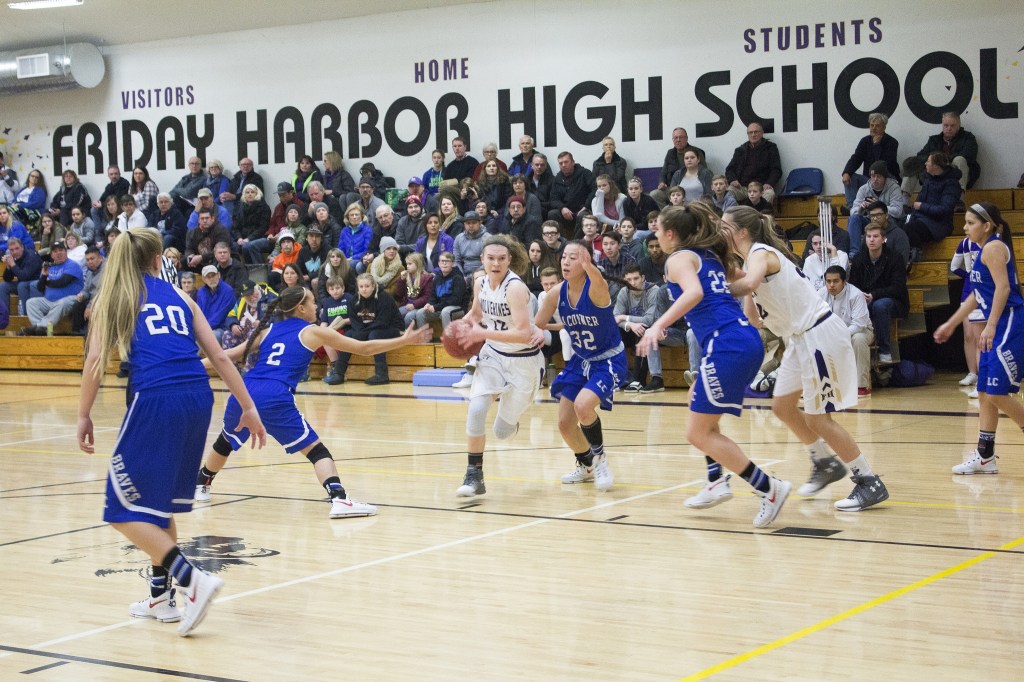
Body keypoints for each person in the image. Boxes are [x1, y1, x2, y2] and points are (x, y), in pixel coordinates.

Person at [76, 227, 265, 636]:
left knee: (120, 507)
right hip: (198, 397)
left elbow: (95, 361)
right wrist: (248, 407)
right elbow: (219, 356)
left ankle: (191, 579)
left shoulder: (114, 296)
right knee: (157, 505)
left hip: (157, 395)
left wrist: (83, 414)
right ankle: (161, 597)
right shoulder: (181, 295)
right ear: (156, 259)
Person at [194, 285, 428, 512]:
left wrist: (191, 367)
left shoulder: (267, 331)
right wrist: (402, 341)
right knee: (317, 452)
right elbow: (364, 348)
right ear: (301, 308)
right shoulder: (313, 331)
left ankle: (201, 485)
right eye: (313, 302)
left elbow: (225, 355)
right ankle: (339, 499)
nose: (317, 306)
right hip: (275, 395)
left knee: (225, 441)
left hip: (244, 391)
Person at [723, 205, 888, 512]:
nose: (721, 232)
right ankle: (824, 462)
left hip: (819, 334)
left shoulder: (760, 253)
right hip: (800, 339)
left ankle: (868, 481)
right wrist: (739, 283)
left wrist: (718, 288)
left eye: (725, 227)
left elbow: (749, 283)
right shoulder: (749, 263)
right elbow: (754, 319)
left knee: (818, 418)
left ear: (742, 232)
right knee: (782, 406)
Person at [635, 204, 789, 527]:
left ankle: (768, 488)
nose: (655, 235)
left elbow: (693, 293)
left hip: (727, 344)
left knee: (697, 432)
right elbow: (745, 281)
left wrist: (657, 325)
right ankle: (715, 478)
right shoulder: (708, 256)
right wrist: (752, 313)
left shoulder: (678, 259)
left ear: (670, 234)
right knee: (695, 396)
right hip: (741, 339)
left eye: (657, 229)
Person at [451, 234, 544, 497]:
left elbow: (524, 333)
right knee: (476, 410)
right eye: (490, 258)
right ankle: (474, 476)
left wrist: (482, 333)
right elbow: (476, 314)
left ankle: (511, 420)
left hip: (524, 360)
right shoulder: (480, 282)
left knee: (502, 432)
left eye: (501, 259)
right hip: (493, 355)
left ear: (509, 260)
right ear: (482, 259)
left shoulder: (514, 288)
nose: (495, 263)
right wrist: (460, 328)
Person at [935, 203, 1024, 475]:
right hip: (997, 323)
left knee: (996, 392)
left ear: (987, 225)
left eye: (971, 223)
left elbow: (1003, 288)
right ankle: (985, 457)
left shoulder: (993, 247)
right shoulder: (980, 249)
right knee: (985, 391)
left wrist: (991, 325)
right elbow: (976, 295)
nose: (965, 227)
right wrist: (951, 323)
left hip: (1009, 323)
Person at [532, 240, 626, 491]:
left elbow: (598, 279)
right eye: (564, 257)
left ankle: (600, 459)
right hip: (580, 360)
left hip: (608, 360)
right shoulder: (556, 293)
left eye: (573, 258)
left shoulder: (596, 288)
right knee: (565, 424)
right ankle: (587, 466)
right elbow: (535, 325)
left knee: (583, 406)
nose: (565, 262)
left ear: (586, 263)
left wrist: (590, 266)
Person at [848, 221, 909, 365]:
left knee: (879, 306)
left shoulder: (895, 258)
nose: (871, 240)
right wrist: (861, 295)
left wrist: (874, 295)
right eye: (868, 236)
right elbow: (853, 285)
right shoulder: (858, 258)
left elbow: (898, 287)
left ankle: (884, 351)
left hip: (893, 300)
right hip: (865, 299)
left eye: (875, 236)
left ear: (883, 239)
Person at [331, 273, 405, 385]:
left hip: (392, 328)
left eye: (367, 286)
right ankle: (338, 373)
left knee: (374, 335)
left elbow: (383, 322)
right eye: (361, 286)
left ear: (373, 286)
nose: (364, 289)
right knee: (348, 335)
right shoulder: (354, 300)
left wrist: (363, 332)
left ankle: (382, 375)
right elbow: (354, 320)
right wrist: (359, 332)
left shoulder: (384, 297)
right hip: (368, 328)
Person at [820, 265, 874, 396]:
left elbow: (859, 325)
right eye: (828, 281)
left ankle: (861, 386)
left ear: (844, 282)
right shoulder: (820, 294)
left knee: (859, 339)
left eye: (836, 281)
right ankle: (819, 386)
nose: (831, 285)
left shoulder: (856, 295)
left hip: (861, 331)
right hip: (832, 334)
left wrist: (838, 336)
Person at [903, 152, 962, 260]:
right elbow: (917, 204)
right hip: (923, 220)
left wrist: (922, 206)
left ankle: (916, 258)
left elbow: (944, 210)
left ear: (936, 166)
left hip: (939, 224)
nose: (925, 163)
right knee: (899, 226)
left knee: (910, 229)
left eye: (928, 161)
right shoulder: (928, 181)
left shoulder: (952, 184)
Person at [904, 111, 980, 195]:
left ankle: (959, 198)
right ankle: (904, 199)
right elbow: (920, 156)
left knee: (959, 159)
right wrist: (935, 160)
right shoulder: (934, 140)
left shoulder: (968, 138)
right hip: (936, 174)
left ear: (958, 126)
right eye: (946, 125)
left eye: (952, 125)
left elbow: (970, 156)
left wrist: (942, 160)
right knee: (912, 162)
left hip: (958, 174)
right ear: (942, 126)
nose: (949, 128)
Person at [841, 112, 901, 210]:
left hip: (886, 180)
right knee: (850, 176)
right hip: (869, 180)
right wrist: (846, 172)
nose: (873, 128)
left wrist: (876, 145)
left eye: (877, 126)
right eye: (871, 125)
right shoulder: (865, 141)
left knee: (881, 175)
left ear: (884, 127)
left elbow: (883, 166)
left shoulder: (892, 142)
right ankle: (852, 207)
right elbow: (856, 158)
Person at [24, 239, 83, 335]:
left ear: (66, 252)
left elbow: (62, 282)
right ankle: (42, 331)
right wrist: (44, 276)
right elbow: (40, 288)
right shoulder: (49, 267)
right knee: (31, 303)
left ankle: (41, 327)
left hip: (70, 300)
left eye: (61, 250)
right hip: (50, 301)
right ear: (51, 255)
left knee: (62, 302)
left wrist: (46, 281)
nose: (58, 253)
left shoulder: (72, 265)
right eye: (55, 251)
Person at [614, 265, 658, 391]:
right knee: (612, 332)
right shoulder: (624, 292)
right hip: (631, 329)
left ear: (642, 278)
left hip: (653, 330)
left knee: (642, 330)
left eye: (636, 278)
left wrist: (625, 317)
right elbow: (615, 318)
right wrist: (629, 324)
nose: (632, 283)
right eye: (629, 280)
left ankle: (639, 380)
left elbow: (649, 320)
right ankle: (617, 377)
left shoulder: (653, 290)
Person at [847, 162, 905, 258]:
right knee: (854, 218)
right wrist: (861, 208)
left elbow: (898, 211)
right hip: (870, 220)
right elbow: (852, 211)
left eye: (878, 176)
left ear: (885, 177)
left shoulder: (894, 188)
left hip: (889, 222)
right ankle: (854, 253)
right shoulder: (863, 189)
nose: (875, 179)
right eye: (873, 176)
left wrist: (878, 204)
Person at [951, 235, 984, 398]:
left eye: (971, 223)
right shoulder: (965, 243)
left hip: (986, 291)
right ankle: (973, 373)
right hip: (968, 292)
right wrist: (968, 275)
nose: (966, 228)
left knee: (981, 337)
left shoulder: (993, 242)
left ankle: (983, 379)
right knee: (969, 335)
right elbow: (954, 266)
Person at [725, 121, 782, 205]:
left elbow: (776, 170)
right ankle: (736, 213)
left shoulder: (771, 148)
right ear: (747, 135)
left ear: (762, 133)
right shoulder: (740, 150)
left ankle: (760, 213)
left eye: (756, 132)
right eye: (750, 132)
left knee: (770, 194)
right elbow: (730, 169)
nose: (753, 135)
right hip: (743, 188)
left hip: (761, 188)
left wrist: (769, 183)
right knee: (728, 191)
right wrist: (732, 180)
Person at [651, 127, 707, 206]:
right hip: (672, 188)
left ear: (686, 138)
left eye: (681, 137)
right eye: (675, 138)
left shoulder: (696, 152)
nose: (678, 140)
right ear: (673, 140)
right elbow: (663, 172)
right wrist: (662, 182)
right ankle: (669, 212)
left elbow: (704, 171)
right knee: (655, 194)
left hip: (689, 186)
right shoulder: (670, 153)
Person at [413, 251, 465, 331]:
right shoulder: (437, 278)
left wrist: (436, 307)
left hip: (457, 307)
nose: (444, 263)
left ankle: (448, 338)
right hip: (440, 307)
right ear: (439, 263)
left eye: (447, 261)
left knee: (445, 312)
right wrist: (429, 304)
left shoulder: (458, 277)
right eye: (442, 261)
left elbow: (456, 299)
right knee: (420, 312)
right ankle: (424, 337)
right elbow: (433, 295)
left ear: (452, 264)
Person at [548, 152, 596, 235]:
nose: (563, 165)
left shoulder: (585, 174)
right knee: (552, 214)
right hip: (566, 211)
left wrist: (586, 206)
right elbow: (553, 198)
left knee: (583, 216)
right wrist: (562, 208)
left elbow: (595, 190)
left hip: (583, 209)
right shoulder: (557, 179)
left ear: (573, 162)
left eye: (566, 162)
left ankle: (576, 241)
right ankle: (561, 240)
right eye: (561, 163)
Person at [319, 276, 356, 385]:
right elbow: (324, 321)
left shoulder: (349, 298)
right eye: (332, 289)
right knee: (323, 339)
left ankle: (337, 370)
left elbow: (356, 318)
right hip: (332, 330)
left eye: (337, 288)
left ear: (343, 288)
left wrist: (344, 321)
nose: (335, 291)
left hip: (347, 330)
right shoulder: (327, 302)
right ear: (328, 290)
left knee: (331, 340)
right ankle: (335, 367)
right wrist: (320, 332)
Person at [0, 236, 42, 315]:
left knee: (22, 285)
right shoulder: (15, 257)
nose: (15, 252)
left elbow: (24, 276)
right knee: (3, 286)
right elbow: (7, 279)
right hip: (22, 284)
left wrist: (13, 265)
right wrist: (9, 266)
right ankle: (4, 316)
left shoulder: (31, 256)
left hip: (35, 284)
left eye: (17, 248)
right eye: (12, 250)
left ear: (22, 247)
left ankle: (25, 315)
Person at [69, 245, 104, 335]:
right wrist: (82, 295)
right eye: (87, 260)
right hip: (92, 300)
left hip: (103, 300)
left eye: (92, 259)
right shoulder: (89, 272)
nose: (90, 262)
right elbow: (86, 290)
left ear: (100, 258)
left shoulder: (107, 270)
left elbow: (101, 293)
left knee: (95, 308)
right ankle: (77, 334)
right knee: (78, 304)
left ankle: (88, 333)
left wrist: (90, 306)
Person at [394, 251, 434, 327]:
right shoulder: (406, 277)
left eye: (410, 264)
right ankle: (400, 332)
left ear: (418, 264)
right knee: (397, 313)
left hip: (420, 306)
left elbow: (427, 296)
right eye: (407, 264)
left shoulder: (426, 278)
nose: (407, 266)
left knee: (408, 317)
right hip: (407, 305)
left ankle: (409, 333)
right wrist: (401, 280)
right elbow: (399, 295)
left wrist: (414, 304)